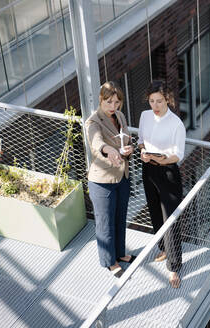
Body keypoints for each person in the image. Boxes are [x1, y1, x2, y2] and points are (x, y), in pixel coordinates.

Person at [138, 80, 186, 288]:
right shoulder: (145, 116)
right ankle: (163, 248)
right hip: (148, 168)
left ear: (167, 99)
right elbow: (140, 139)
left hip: (167, 172)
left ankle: (174, 267)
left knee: (170, 217)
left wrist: (161, 160)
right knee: (154, 210)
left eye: (159, 101)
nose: (155, 105)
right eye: (151, 101)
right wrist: (142, 152)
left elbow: (179, 154)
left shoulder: (176, 123)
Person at [85, 81, 135, 278]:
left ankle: (120, 254)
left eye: (116, 102)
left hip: (122, 175)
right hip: (102, 181)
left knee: (120, 217)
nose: (113, 106)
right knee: (105, 222)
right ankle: (109, 261)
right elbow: (97, 143)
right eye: (109, 102)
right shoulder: (93, 122)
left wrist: (128, 149)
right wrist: (110, 150)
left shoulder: (120, 116)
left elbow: (127, 138)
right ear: (100, 100)